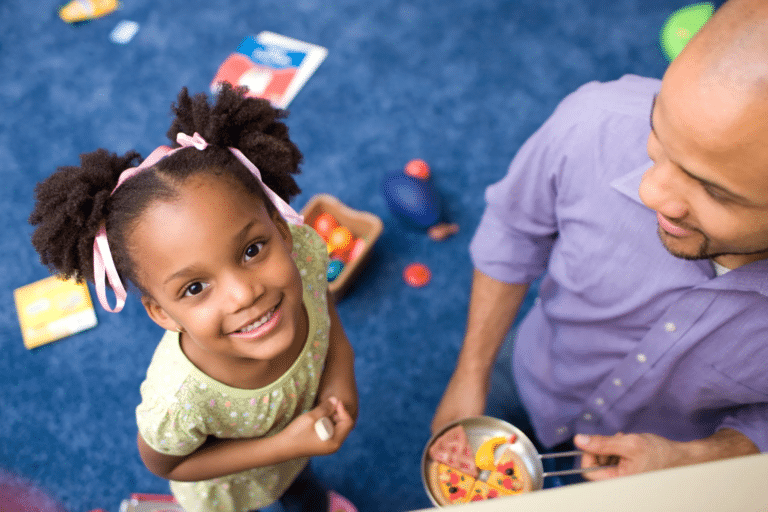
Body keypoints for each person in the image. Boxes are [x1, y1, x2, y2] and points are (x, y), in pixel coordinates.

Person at [432, 0, 768, 482]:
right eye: (659, 134)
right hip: (533, 372)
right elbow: (513, 230)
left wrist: (702, 458)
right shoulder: (595, 122)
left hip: (668, 462)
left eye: (714, 190)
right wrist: (470, 373)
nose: (649, 191)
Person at [29, 84, 359, 512]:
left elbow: (326, 314)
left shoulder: (305, 255)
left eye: (252, 250)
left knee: (302, 491)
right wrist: (281, 446)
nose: (245, 294)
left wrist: (339, 378)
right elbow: (168, 465)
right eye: (195, 288)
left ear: (280, 228)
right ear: (162, 313)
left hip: (299, 451)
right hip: (229, 492)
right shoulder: (179, 400)